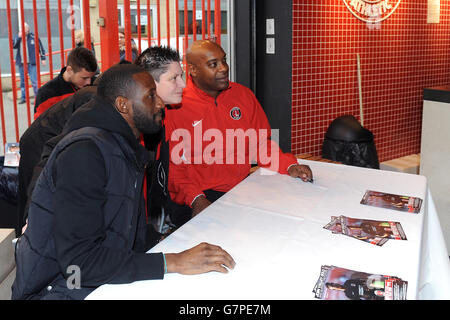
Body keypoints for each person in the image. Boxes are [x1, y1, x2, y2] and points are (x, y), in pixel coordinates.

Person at [11, 64, 235, 300]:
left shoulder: (121, 146)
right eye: (150, 96)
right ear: (122, 105)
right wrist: (174, 261)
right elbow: (79, 265)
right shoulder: (85, 153)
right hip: (59, 291)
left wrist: (170, 240)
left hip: (91, 283)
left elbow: (122, 227)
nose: (160, 104)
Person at [165, 40, 313, 217]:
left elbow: (259, 144)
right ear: (193, 69)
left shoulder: (243, 95)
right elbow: (173, 168)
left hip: (243, 188)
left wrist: (288, 165)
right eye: (213, 64)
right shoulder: (175, 105)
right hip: (199, 196)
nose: (223, 68)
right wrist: (196, 198)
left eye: (224, 60)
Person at [16, 86, 97, 237]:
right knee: (34, 190)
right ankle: (24, 235)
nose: (87, 82)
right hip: (37, 143)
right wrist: (31, 217)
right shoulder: (93, 100)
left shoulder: (101, 97)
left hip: (53, 137)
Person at [134, 46, 190, 230]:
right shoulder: (134, 131)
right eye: (174, 78)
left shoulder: (161, 117)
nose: (183, 85)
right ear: (149, 82)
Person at [34, 46, 97, 119]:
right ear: (69, 70)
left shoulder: (96, 85)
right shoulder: (46, 94)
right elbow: (40, 127)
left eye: (91, 77)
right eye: (84, 78)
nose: (89, 82)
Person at [12, 22, 46, 104]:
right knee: (23, 82)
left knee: (34, 81)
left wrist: (43, 58)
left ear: (28, 29)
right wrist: (19, 38)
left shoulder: (33, 37)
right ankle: (24, 98)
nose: (23, 30)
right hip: (22, 63)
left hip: (32, 63)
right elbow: (13, 46)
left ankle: (37, 99)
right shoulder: (18, 38)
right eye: (21, 28)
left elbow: (40, 48)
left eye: (24, 28)